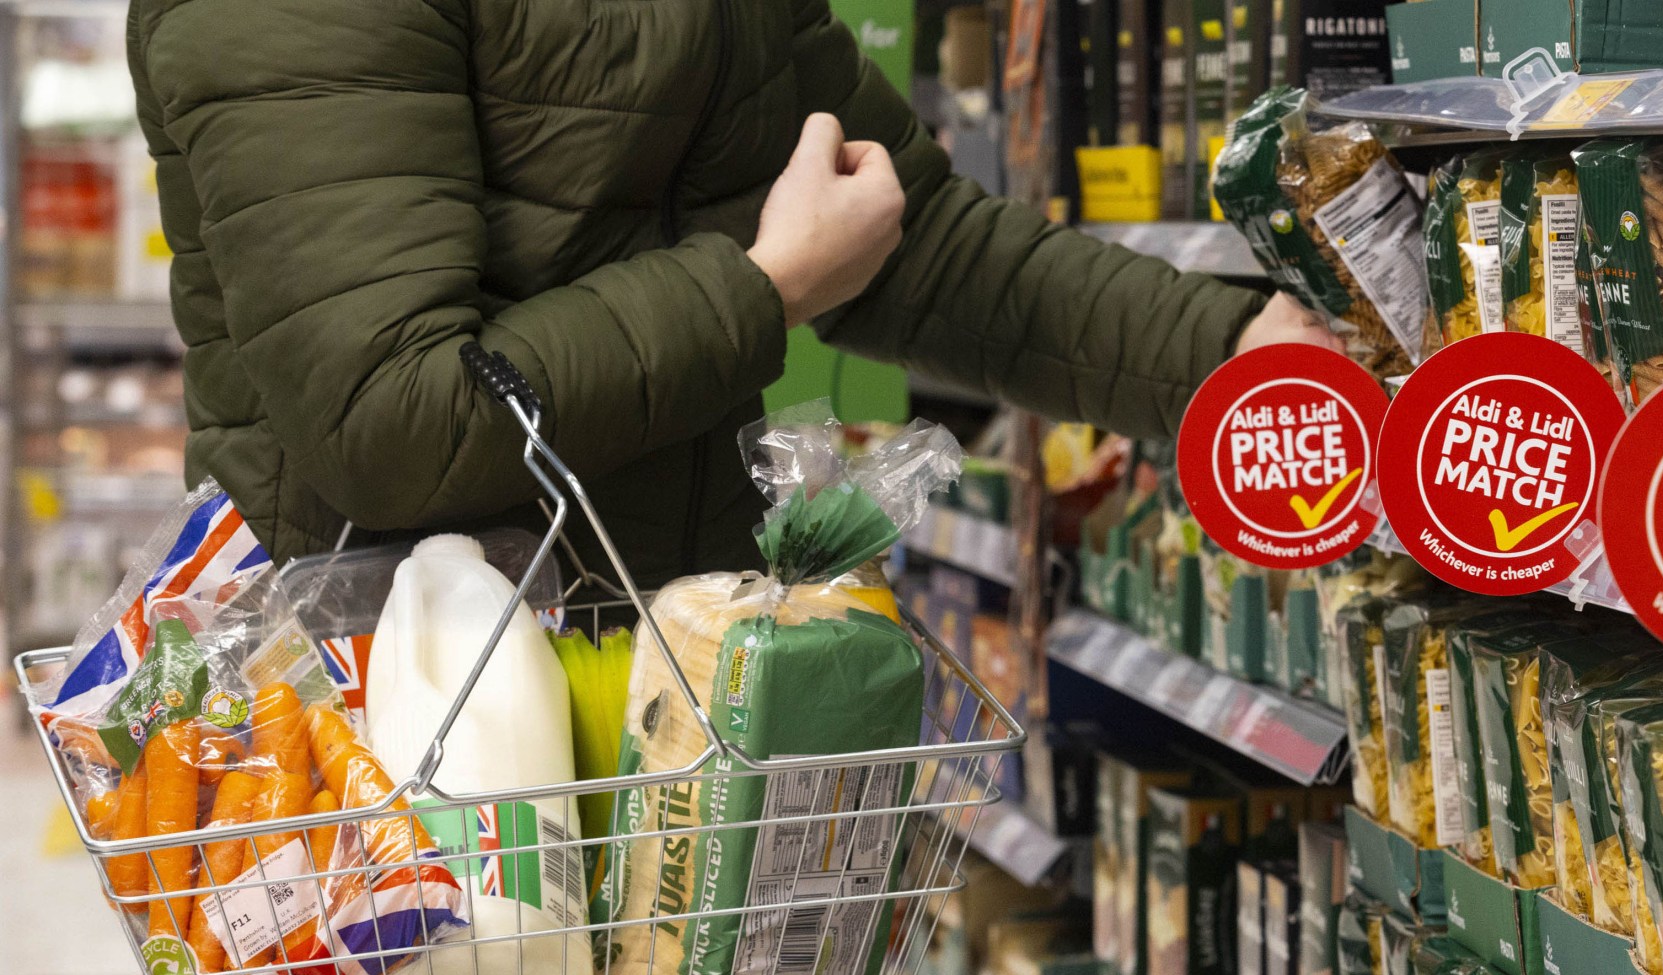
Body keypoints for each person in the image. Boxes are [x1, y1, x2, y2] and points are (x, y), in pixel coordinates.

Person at [128, 0, 1340, 586]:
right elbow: (388, 423)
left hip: (656, 684)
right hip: (389, 732)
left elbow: (901, 227)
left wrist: (1230, 351)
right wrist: (765, 287)